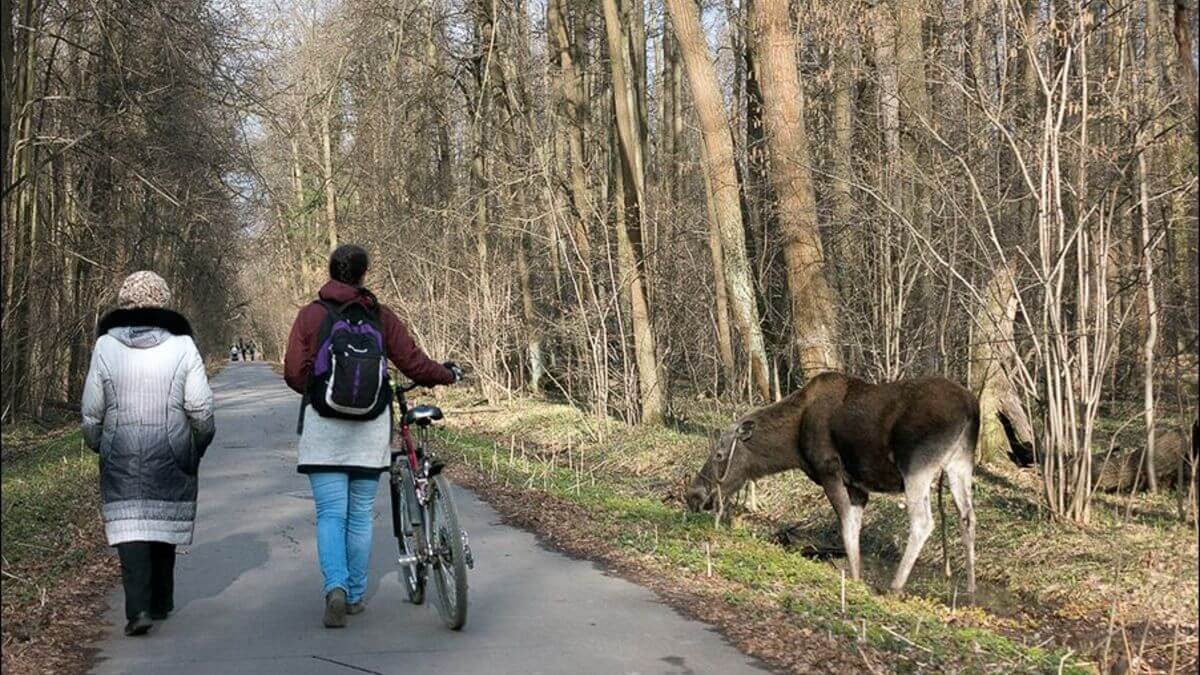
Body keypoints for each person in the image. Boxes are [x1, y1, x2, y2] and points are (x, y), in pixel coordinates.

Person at [284, 244, 460, 628]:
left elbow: (294, 374)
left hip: (323, 430)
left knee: (331, 514)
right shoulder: (380, 316)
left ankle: (335, 588)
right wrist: (447, 374)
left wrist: (321, 393)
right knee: (360, 514)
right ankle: (357, 595)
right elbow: (413, 362)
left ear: (330, 274)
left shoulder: (310, 316)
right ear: (364, 275)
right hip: (370, 429)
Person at [81, 271, 215, 637]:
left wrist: (98, 442)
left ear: (124, 303)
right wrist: (195, 445)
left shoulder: (105, 347)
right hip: (171, 449)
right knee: (162, 521)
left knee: (131, 527)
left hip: (120, 451)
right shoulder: (183, 346)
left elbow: (92, 410)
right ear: (164, 302)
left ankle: (137, 608)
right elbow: (201, 410)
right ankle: (160, 602)